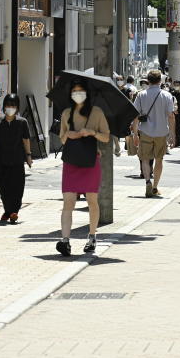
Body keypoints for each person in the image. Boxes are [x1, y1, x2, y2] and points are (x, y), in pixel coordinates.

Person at [57, 81, 111, 256]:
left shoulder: (97, 112)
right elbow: (62, 139)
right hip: (71, 161)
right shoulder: (67, 113)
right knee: (68, 201)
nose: (77, 94)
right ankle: (65, 240)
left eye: (81, 91)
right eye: (74, 91)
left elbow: (106, 137)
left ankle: (92, 236)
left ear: (87, 93)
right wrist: (69, 135)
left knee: (92, 201)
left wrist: (92, 132)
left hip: (90, 161)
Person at [0, 94, 32, 223]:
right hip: (1, 161)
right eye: (8, 105)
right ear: (4, 106)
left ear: (17, 107)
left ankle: (14, 211)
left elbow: (25, 139)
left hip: (17, 160)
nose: (10, 108)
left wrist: (29, 156)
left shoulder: (22, 122)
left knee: (18, 187)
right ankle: (7, 211)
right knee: (4, 188)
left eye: (13, 106)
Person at [130, 70, 175, 198]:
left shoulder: (141, 95)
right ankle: (155, 187)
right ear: (160, 81)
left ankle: (147, 181)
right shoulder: (167, 95)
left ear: (148, 81)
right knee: (159, 159)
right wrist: (172, 134)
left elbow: (136, 115)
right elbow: (171, 116)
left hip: (145, 131)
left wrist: (134, 134)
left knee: (145, 158)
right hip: (161, 132)